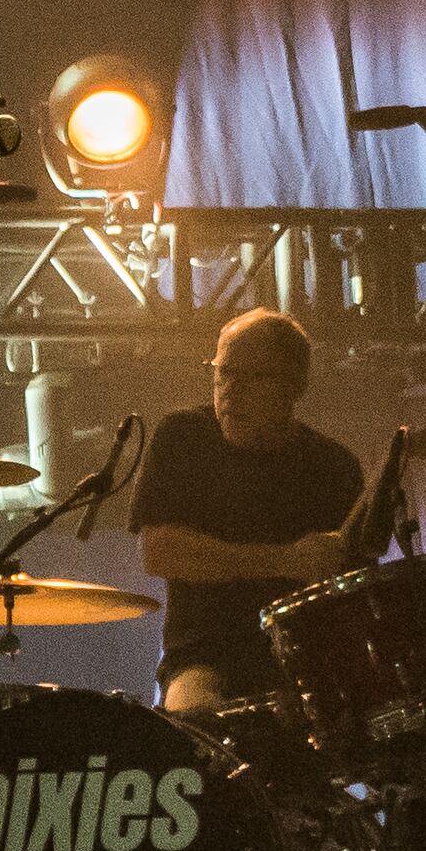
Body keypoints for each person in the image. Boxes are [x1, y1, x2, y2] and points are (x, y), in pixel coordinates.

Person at [134, 308, 373, 724]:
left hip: (307, 663)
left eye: (251, 377)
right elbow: (160, 553)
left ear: (293, 387)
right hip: (203, 657)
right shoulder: (182, 438)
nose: (229, 390)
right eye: (222, 373)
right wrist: (285, 560)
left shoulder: (334, 467)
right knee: (197, 727)